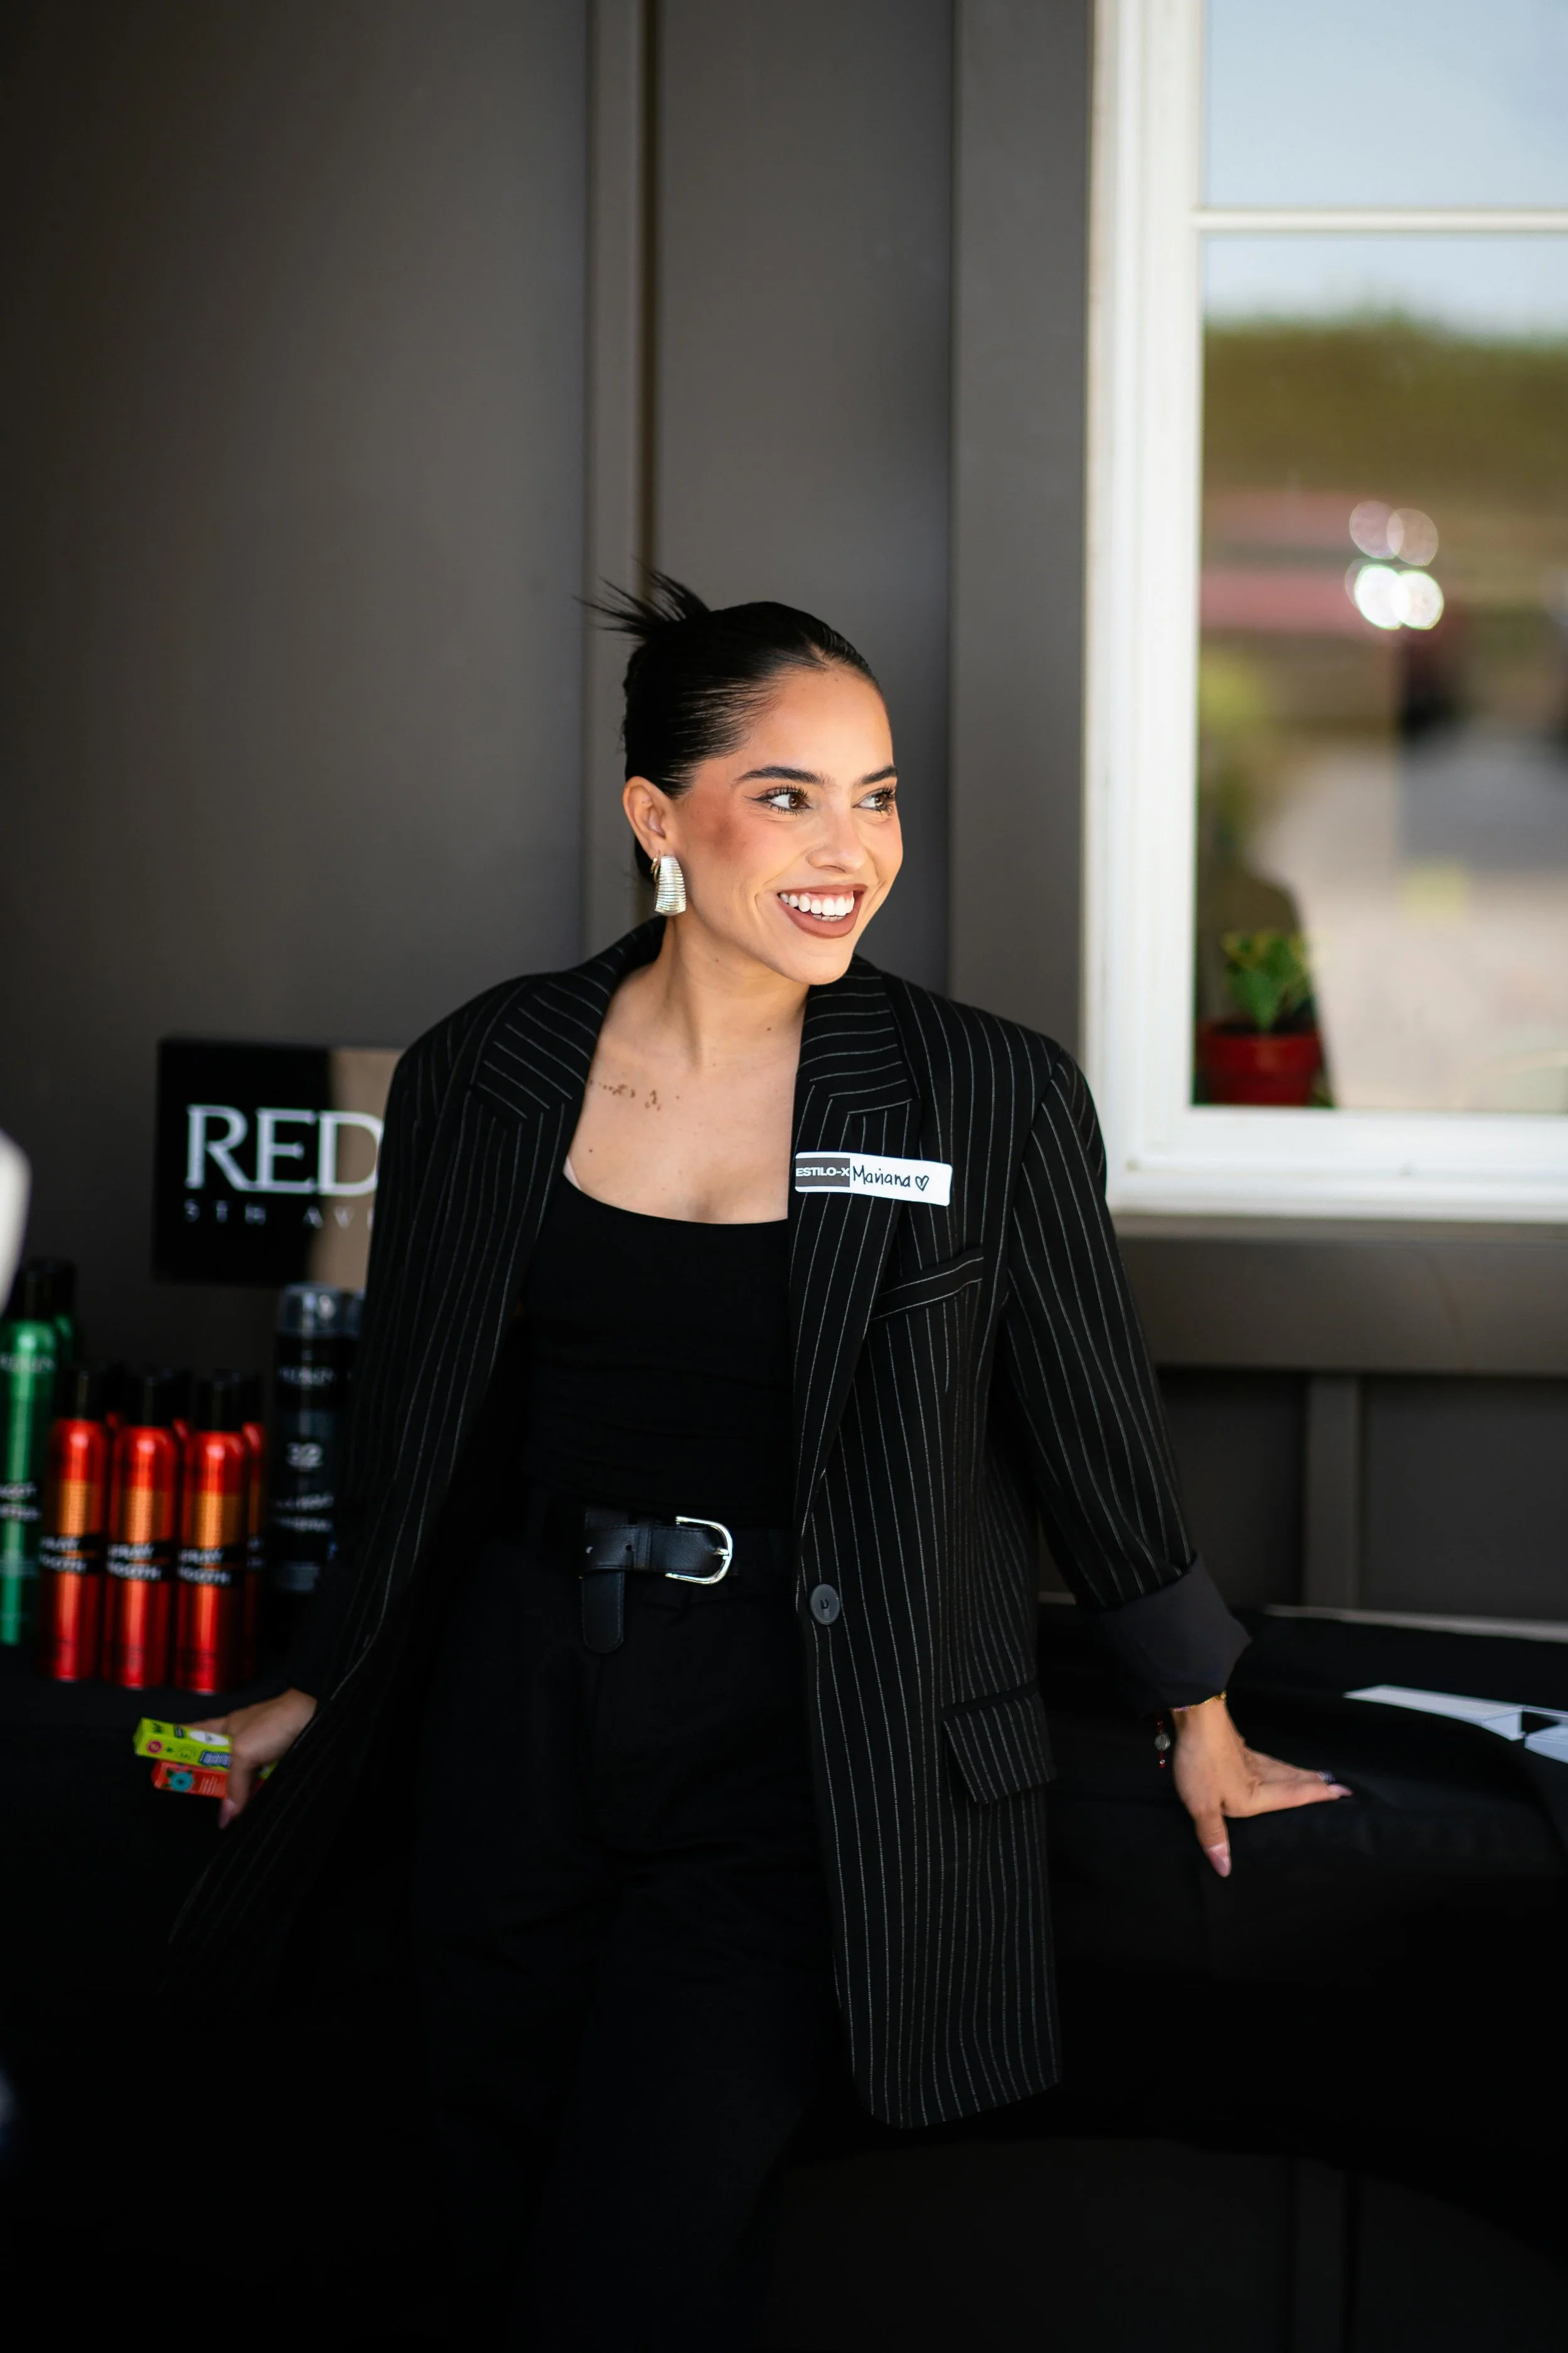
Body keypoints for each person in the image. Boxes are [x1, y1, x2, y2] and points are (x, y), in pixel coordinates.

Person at [183, 576, 1348, 2349]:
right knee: (494, 2235)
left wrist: (1198, 1708)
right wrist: (324, 1684)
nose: (848, 847)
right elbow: (424, 1440)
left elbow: (1088, 1421)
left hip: (797, 1754)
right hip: (518, 1727)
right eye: (787, 794)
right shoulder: (485, 1071)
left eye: (874, 795)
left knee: (619, 2271)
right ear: (658, 816)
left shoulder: (980, 1094)